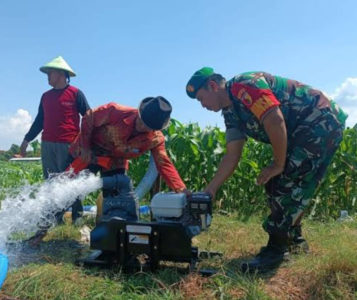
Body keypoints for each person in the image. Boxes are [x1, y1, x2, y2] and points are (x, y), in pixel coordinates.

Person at [186, 67, 347, 273]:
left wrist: (278, 165)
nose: (203, 105)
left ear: (213, 86)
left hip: (319, 122)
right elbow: (232, 154)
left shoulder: (245, 85)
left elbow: (275, 119)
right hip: (304, 130)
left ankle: (276, 249)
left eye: (201, 98)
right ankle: (294, 240)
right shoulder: (231, 112)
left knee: (282, 181)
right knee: (285, 183)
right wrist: (211, 189)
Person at [19, 56, 90, 245]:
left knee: (71, 181)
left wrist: (85, 142)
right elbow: (39, 120)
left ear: (60, 74)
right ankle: (55, 219)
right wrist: (26, 140)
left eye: (50, 73)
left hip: (70, 144)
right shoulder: (46, 96)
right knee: (51, 182)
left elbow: (88, 117)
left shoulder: (76, 94)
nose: (47, 77)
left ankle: (78, 218)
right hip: (48, 144)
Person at [68, 96, 191, 200]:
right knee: (71, 186)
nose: (142, 127)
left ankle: (109, 222)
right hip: (90, 151)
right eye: (141, 121)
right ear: (139, 113)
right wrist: (85, 147)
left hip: (115, 162)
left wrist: (181, 189)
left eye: (148, 127)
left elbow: (163, 163)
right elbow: (89, 117)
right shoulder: (115, 111)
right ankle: (66, 218)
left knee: (116, 197)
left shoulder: (155, 139)